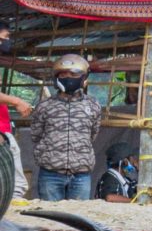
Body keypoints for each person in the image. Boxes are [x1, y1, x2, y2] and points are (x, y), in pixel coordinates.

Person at [10, 55, 106, 202]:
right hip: (50, 174)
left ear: (83, 77)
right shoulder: (45, 106)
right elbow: (36, 135)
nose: (68, 78)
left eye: (74, 74)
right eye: (63, 74)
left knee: (78, 218)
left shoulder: (93, 105)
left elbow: (93, 134)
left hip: (81, 175)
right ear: (56, 78)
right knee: (50, 220)